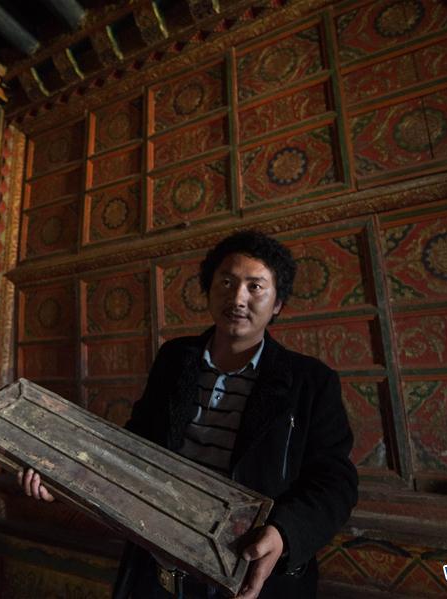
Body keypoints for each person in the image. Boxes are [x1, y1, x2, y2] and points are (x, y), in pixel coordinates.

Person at [20, 230, 358, 598]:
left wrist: (284, 533)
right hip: (159, 563)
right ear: (209, 290)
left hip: (251, 569)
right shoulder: (175, 359)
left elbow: (334, 482)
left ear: (277, 303)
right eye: (226, 282)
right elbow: (136, 447)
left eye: (255, 286)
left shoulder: (310, 381)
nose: (238, 297)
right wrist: (67, 480)